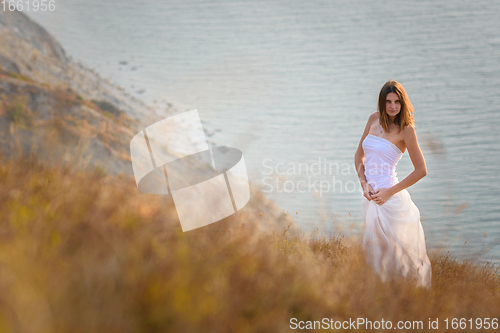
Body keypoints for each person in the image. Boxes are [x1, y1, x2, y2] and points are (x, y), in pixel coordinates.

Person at [354, 80, 432, 288]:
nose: (392, 106)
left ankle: (405, 300)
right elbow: (359, 155)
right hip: (370, 196)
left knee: (398, 257)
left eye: (397, 102)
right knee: (374, 253)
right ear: (382, 102)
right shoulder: (373, 119)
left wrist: (389, 192)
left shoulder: (407, 130)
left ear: (402, 103)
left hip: (391, 199)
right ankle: (380, 299)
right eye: (388, 101)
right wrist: (364, 184)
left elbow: (421, 170)